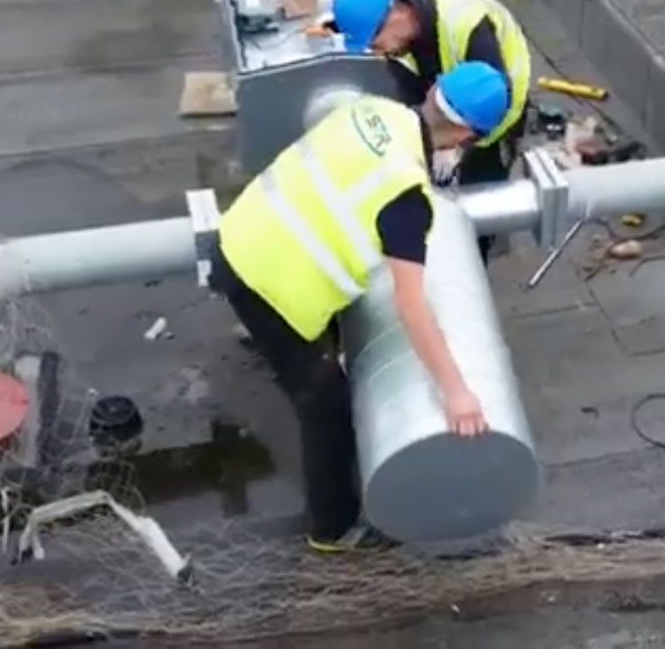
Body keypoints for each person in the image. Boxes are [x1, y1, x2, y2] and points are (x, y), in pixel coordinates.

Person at [208, 62, 513, 552]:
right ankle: (333, 531)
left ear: (434, 89)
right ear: (465, 135)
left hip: (240, 235)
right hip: (264, 285)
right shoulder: (407, 197)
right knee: (325, 403)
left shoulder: (372, 112)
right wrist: (456, 392)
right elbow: (411, 303)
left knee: (321, 374)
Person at [329, 0, 533, 257]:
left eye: (374, 42)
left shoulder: (466, 23)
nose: (375, 51)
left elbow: (492, 98)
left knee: (480, 194)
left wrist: (460, 146)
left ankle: (475, 256)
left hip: (499, 118)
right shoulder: (400, 44)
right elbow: (411, 96)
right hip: (456, 105)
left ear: (396, 13)